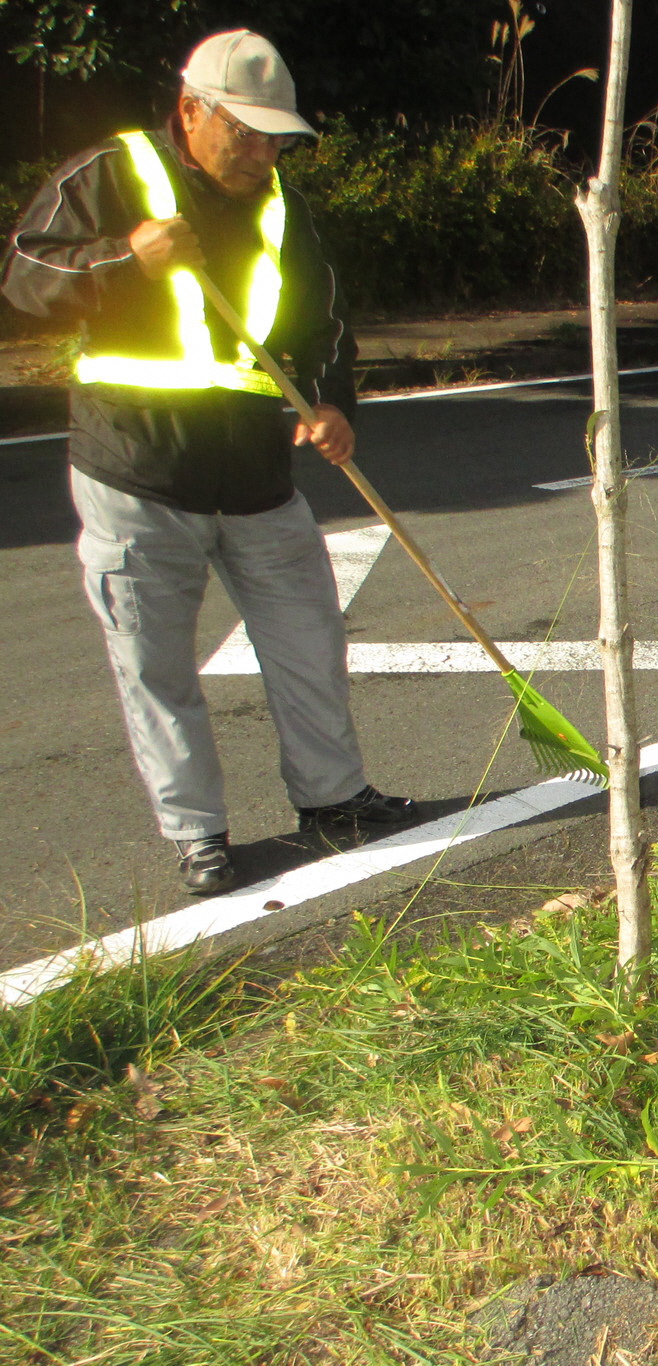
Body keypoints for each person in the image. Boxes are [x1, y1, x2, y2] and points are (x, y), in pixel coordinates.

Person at [2, 30, 416, 897]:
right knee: (156, 667)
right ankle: (199, 836)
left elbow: (324, 320)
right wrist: (126, 260)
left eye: (276, 138)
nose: (264, 153)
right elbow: (24, 273)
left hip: (258, 475)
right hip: (136, 469)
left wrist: (333, 401)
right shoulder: (110, 177)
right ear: (192, 111)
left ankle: (335, 799)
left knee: (310, 640)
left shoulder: (281, 209)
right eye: (247, 133)